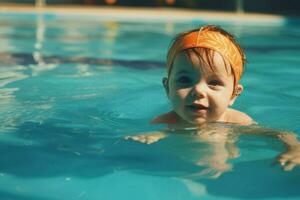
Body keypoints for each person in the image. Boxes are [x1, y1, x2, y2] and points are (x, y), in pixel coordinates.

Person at [126, 25, 300, 172]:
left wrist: (294, 148)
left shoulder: (237, 122)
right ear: (167, 88)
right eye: (185, 80)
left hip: (224, 171)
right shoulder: (164, 123)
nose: (199, 90)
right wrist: (155, 135)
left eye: (214, 82)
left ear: (233, 94)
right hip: (179, 170)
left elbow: (280, 134)